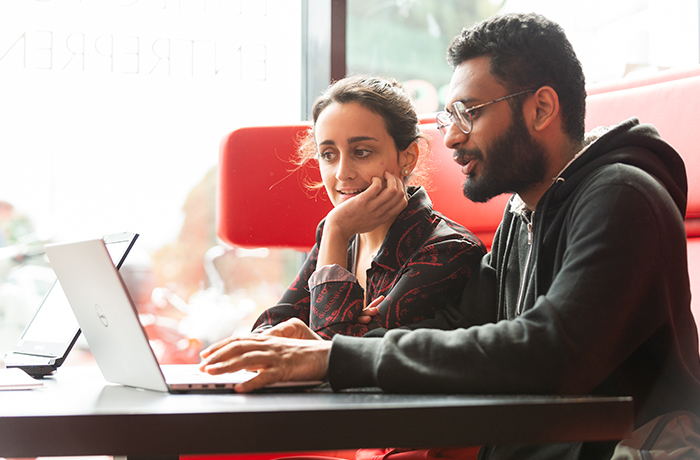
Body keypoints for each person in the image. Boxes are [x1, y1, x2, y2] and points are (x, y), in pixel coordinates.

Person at [200, 13, 700, 460]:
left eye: (469, 113)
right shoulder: (522, 215)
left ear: (542, 108)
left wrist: (332, 355)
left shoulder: (621, 196)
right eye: (449, 118)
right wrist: (308, 349)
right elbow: (455, 331)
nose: (453, 137)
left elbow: (552, 350)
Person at [250, 75, 485, 339]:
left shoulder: (448, 251)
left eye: (361, 152)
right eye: (328, 155)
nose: (342, 173)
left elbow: (334, 356)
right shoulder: (339, 235)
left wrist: (337, 231)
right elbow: (266, 331)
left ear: (407, 158)